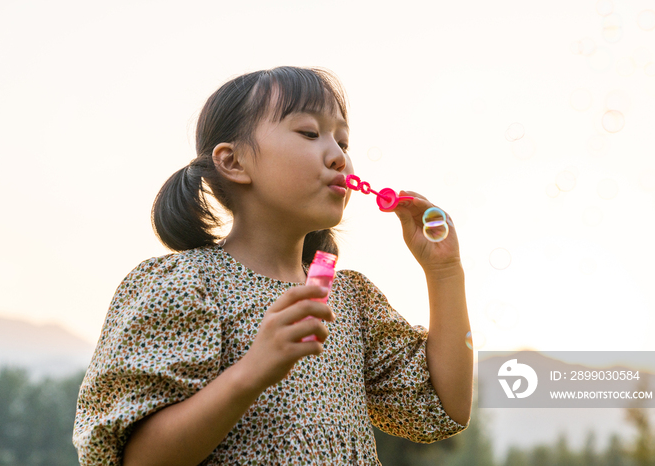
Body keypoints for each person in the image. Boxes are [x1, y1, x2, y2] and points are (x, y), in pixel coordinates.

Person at [73, 66, 473, 466]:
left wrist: (444, 271)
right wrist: (254, 369)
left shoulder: (351, 301)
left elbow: (444, 409)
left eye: (343, 141)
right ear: (233, 162)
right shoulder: (186, 286)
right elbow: (138, 459)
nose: (339, 157)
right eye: (309, 133)